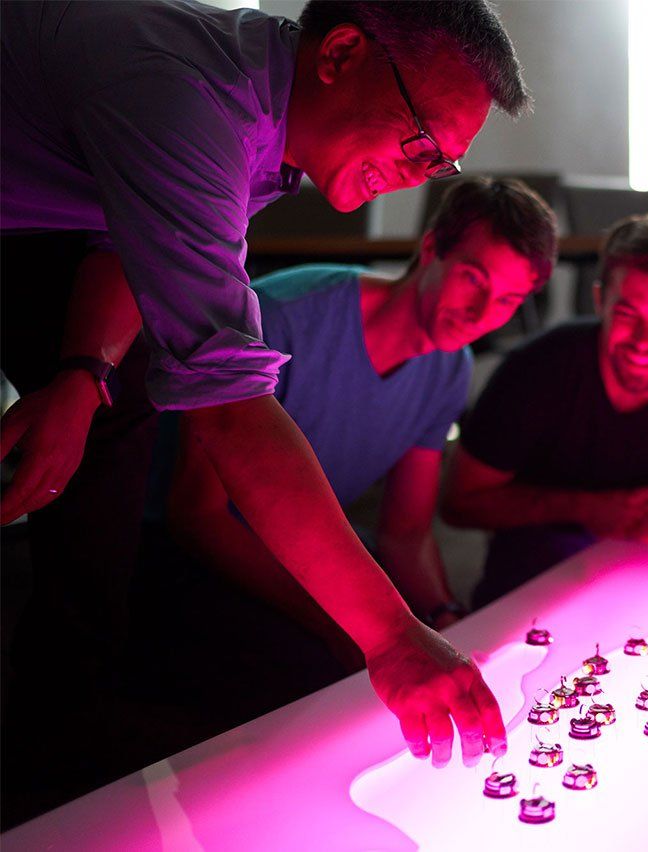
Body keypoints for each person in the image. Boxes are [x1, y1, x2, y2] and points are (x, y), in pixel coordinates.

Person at [0, 0, 528, 790]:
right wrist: (388, 638)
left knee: (118, 410)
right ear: (342, 52)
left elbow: (130, 232)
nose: (423, 173)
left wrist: (85, 371)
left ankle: (66, 756)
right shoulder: (192, 100)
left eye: (440, 164)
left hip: (38, 220)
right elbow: (229, 408)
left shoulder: (268, 138)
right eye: (421, 140)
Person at [166, 176, 555, 656]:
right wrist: (348, 628)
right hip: (188, 560)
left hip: (298, 554)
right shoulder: (282, 319)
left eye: (508, 301)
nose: (482, 313)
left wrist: (446, 619)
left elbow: (405, 534)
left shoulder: (451, 366)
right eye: (474, 279)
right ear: (432, 248)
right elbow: (197, 515)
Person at [442, 213, 648, 607]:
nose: (643, 342)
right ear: (600, 300)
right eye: (627, 314)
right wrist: (587, 509)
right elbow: (458, 502)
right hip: (545, 531)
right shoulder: (536, 370)